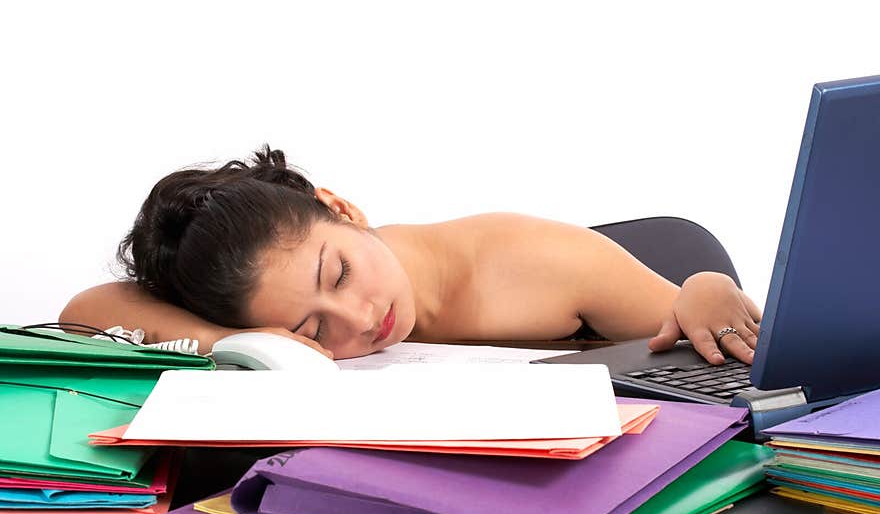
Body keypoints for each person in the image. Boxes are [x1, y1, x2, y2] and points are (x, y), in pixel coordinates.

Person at [59, 145, 762, 364]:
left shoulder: (534, 257)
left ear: (343, 210)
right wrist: (240, 342)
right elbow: (85, 312)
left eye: (336, 272)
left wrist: (700, 287)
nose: (358, 318)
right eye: (312, 329)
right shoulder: (271, 314)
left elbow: (686, 316)